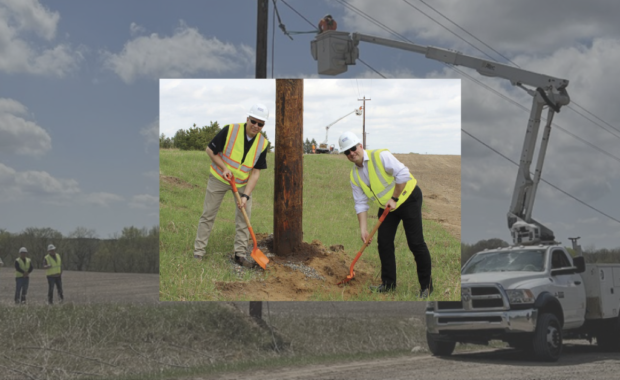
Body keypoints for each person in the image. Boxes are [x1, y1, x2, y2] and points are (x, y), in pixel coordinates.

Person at [338, 132, 433, 297]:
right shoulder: (354, 175)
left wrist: (395, 197)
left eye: (353, 148)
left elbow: (403, 173)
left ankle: (426, 286)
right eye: (347, 152)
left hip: (408, 197)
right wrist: (363, 230)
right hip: (388, 206)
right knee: (384, 242)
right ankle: (388, 284)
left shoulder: (380, 156)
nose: (351, 153)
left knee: (415, 243)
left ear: (360, 146)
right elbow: (360, 203)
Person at [193, 103, 270, 267]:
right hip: (219, 178)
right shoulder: (230, 130)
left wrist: (245, 195)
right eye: (253, 121)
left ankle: (240, 255)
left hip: (242, 183)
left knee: (244, 217)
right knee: (208, 215)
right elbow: (209, 150)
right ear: (247, 119)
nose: (256, 126)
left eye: (260, 124)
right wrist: (224, 168)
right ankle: (198, 253)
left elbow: (256, 173)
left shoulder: (262, 144)